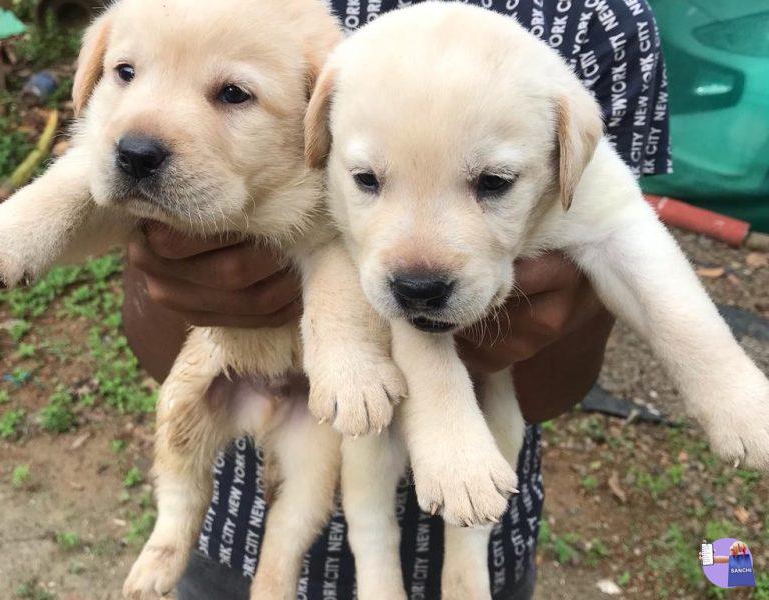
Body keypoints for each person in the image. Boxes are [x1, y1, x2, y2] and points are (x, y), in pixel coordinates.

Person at [122, 1, 672, 598]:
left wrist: (577, 306)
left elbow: (574, 334)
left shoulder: (597, 21)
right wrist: (176, 277)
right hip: (234, 531)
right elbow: (162, 337)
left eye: (493, 182)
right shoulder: (216, 15)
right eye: (367, 179)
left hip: (481, 529)